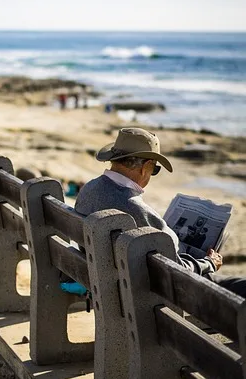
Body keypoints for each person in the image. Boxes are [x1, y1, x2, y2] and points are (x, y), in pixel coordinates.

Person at [75, 126, 246, 298]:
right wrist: (208, 263)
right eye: (154, 169)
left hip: (112, 285)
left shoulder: (88, 190)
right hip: (150, 294)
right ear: (145, 167)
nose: (151, 174)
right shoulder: (134, 209)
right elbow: (177, 272)